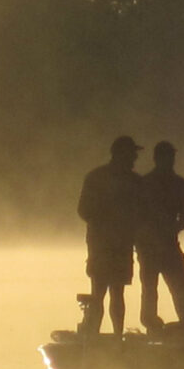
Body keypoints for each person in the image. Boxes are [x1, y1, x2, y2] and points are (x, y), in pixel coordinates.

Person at [77, 136, 143, 337]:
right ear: (120, 153)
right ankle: (99, 335)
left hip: (119, 245)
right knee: (101, 291)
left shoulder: (134, 181)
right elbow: (84, 210)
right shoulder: (98, 178)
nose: (134, 158)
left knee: (116, 291)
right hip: (103, 245)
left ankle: (114, 336)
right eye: (132, 153)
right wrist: (108, 218)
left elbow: (143, 212)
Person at [136, 141, 184, 335]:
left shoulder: (179, 184)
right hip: (150, 248)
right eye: (167, 157)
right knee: (151, 290)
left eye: (171, 157)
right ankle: (152, 323)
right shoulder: (144, 184)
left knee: (180, 288)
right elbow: (136, 214)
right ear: (157, 158)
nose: (170, 160)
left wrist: (176, 228)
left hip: (167, 245)